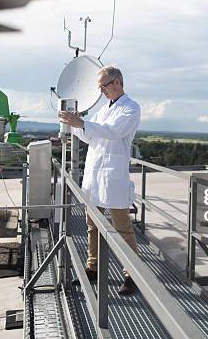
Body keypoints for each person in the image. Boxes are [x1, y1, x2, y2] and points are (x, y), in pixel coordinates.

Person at [58, 65, 141, 295]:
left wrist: (82, 123)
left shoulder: (131, 108)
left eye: (103, 86)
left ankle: (132, 275)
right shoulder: (104, 110)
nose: (101, 91)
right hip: (95, 177)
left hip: (113, 179)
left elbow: (113, 132)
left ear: (117, 82)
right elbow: (89, 135)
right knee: (92, 226)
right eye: (99, 88)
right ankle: (92, 268)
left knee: (123, 228)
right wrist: (72, 125)